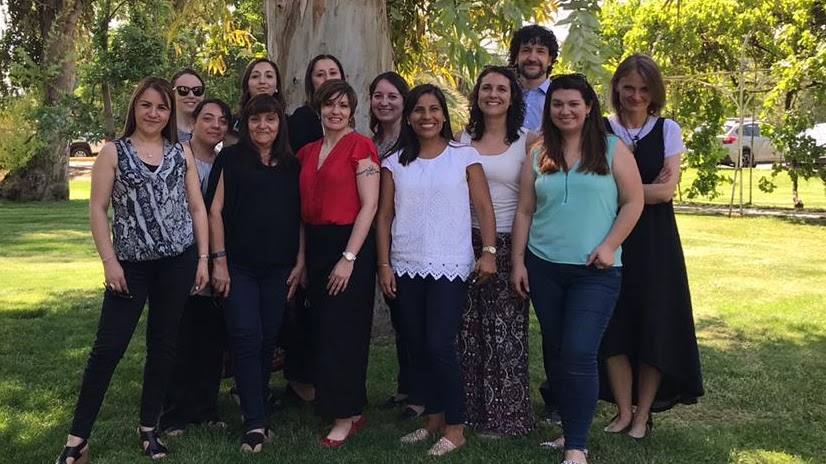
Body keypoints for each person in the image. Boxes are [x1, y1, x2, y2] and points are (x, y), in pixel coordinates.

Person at [54, 77, 210, 463]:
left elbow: (196, 207)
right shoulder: (113, 152)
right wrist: (110, 262)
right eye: (146, 105)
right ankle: (77, 440)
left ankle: (148, 429)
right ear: (134, 108)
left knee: (163, 345)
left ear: (169, 113)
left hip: (177, 261)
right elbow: (97, 209)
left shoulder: (182, 152)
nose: (153, 113)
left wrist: (203, 259)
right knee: (108, 348)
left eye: (161, 107)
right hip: (130, 267)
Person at [510, 74, 643, 464]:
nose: (564, 111)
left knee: (579, 350)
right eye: (557, 104)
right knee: (557, 352)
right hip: (544, 267)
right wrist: (518, 262)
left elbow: (633, 202)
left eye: (573, 104)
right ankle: (570, 430)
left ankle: (576, 447)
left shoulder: (613, 149)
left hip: (595, 270)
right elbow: (525, 210)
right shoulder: (538, 152)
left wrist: (609, 245)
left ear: (588, 108)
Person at [376, 84, 497, 456]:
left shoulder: (464, 156)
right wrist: (384, 264)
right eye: (419, 110)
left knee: (439, 345)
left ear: (443, 115)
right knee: (418, 345)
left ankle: (455, 429)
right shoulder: (394, 162)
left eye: (433, 109)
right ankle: (433, 419)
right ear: (409, 117)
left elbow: (483, 206)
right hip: (406, 264)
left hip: (450, 264)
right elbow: (384, 216)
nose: (426, 116)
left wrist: (489, 251)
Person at [599, 54, 704, 441]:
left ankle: (643, 414)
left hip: (657, 242)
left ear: (654, 92)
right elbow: (602, 186)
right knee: (613, 326)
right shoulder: (601, 129)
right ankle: (623, 411)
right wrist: (644, 189)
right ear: (617, 87)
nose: (635, 96)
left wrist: (618, 189)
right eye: (628, 87)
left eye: (644, 89)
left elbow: (666, 191)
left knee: (654, 325)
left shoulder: (667, 130)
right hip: (610, 238)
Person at [209, 94, 303, 452]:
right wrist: (219, 260)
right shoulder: (230, 158)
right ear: (246, 124)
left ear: (280, 124)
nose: (263, 125)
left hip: (279, 268)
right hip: (239, 267)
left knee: (266, 340)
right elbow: (214, 211)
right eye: (255, 119)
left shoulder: (292, 165)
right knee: (246, 336)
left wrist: (301, 261)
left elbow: (302, 216)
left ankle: (258, 411)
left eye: (270, 119)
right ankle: (254, 424)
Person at [455, 66, 537, 437]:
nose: (493, 94)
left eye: (501, 89)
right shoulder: (461, 140)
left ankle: (510, 419)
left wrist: (515, 254)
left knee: (506, 333)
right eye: (486, 88)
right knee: (468, 331)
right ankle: (471, 413)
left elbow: (532, 200)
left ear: (513, 97)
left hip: (510, 241)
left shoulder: (528, 141)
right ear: (477, 96)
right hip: (464, 241)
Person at [296, 80, 379, 448]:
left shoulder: (361, 147)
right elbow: (300, 213)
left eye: (343, 105)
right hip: (315, 245)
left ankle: (345, 417)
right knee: (322, 329)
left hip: (349, 245)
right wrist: (301, 258)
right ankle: (346, 406)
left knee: (343, 332)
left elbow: (370, 205)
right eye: (329, 104)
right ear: (319, 108)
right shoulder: (307, 152)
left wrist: (348, 258)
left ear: (352, 111)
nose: (336, 111)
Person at [160, 98, 232, 436]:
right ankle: (174, 414)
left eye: (222, 120)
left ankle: (205, 409)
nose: (215, 125)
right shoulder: (177, 155)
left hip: (214, 256)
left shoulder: (223, 162)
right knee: (181, 337)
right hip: (181, 255)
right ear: (195, 122)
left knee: (210, 337)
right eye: (208, 118)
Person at [367, 71, 422, 417]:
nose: (384, 103)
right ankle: (406, 387)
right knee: (399, 314)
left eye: (392, 96)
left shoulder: (416, 140)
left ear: (405, 101)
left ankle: (420, 394)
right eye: (378, 96)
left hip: (410, 239)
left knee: (412, 316)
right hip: (375, 236)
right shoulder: (368, 143)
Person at [288, 54, 345, 153]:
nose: (328, 79)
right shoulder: (301, 118)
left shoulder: (347, 114)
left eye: (333, 73)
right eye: (320, 75)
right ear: (311, 82)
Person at [508, 24, 559, 132]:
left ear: (550, 60)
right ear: (516, 57)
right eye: (526, 50)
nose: (532, 58)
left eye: (540, 51)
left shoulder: (560, 97)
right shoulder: (503, 95)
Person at [170, 68, 206, 142]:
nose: (191, 96)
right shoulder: (161, 131)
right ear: (171, 93)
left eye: (197, 90)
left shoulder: (213, 131)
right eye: (183, 90)